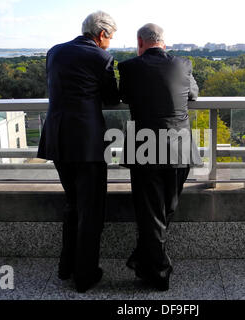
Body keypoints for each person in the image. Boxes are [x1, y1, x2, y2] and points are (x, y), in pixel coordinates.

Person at [37, 11, 120, 293]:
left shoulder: (55, 51)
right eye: (111, 38)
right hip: (87, 141)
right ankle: (84, 276)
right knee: (91, 209)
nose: (110, 43)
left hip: (57, 138)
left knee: (72, 204)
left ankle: (66, 267)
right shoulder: (101, 57)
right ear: (102, 35)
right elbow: (111, 97)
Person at [118, 23, 199, 291]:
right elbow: (194, 94)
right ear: (163, 42)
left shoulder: (129, 67)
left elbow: (125, 96)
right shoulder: (183, 63)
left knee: (151, 212)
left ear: (140, 42)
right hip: (180, 144)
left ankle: (154, 269)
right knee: (166, 208)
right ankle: (152, 266)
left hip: (145, 145)